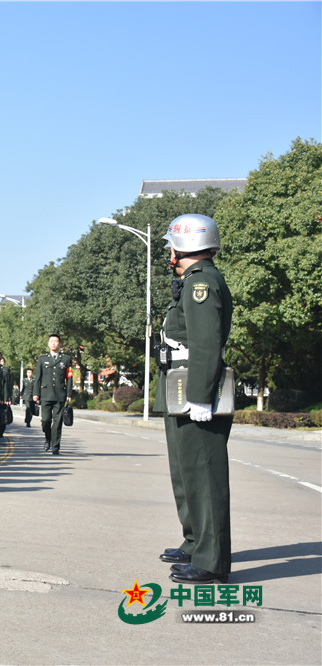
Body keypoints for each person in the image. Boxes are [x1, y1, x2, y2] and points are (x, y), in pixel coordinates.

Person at [155, 214, 233, 585]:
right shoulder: (191, 281)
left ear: (183, 246)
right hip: (181, 385)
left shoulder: (201, 283)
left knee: (204, 475)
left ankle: (212, 561)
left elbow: (205, 343)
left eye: (172, 243)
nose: (169, 250)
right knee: (185, 472)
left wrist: (201, 397)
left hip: (194, 389)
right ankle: (195, 541)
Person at [32, 334, 73, 454]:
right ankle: (48, 438)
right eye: (51, 341)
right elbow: (38, 377)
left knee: (57, 422)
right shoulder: (42, 358)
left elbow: (69, 378)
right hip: (45, 394)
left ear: (60, 344)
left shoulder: (66, 359)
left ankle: (55, 447)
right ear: (48, 344)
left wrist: (69, 394)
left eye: (56, 341)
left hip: (60, 394)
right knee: (45, 421)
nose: (54, 343)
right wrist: (36, 393)